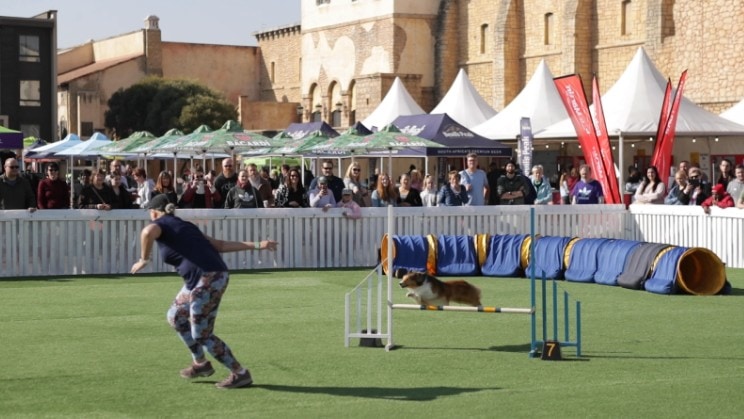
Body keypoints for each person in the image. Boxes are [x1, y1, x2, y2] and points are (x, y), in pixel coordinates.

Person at [130, 194, 278, 389]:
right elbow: (220, 246)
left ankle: (240, 373)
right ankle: (201, 364)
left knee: (201, 334)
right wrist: (259, 245)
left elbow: (148, 232)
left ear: (154, 211)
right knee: (175, 317)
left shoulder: (161, 223)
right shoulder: (185, 226)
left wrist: (144, 259)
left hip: (210, 278)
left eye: (150, 211)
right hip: (200, 279)